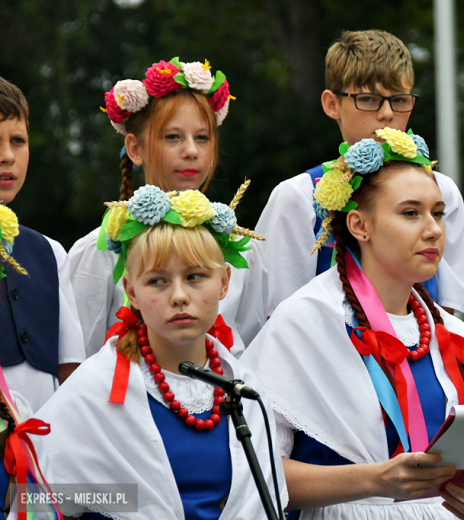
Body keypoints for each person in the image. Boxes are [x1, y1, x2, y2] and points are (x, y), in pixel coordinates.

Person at [242, 133, 464, 519]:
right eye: (411, 213)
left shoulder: (453, 332)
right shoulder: (306, 319)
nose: (433, 229)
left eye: (437, 212)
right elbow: (257, 471)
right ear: (359, 225)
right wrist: (374, 481)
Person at [33, 187, 287, 519]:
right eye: (157, 281)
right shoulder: (96, 389)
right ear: (130, 291)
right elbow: (36, 501)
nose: (179, 296)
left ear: (224, 281)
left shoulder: (245, 390)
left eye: (195, 276)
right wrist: (123, 503)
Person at [256, 30, 464, 317]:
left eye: (399, 100)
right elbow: (279, 312)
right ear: (332, 104)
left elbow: (447, 309)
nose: (386, 114)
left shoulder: (440, 190)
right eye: (369, 99)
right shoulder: (298, 195)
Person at [68, 57, 265, 358]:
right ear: (135, 148)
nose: (191, 150)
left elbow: (252, 350)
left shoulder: (242, 250)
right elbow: (77, 357)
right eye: (173, 137)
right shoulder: (100, 251)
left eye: (202, 137)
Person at [0, 76, 85, 412]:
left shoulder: (50, 252)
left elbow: (70, 368)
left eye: (18, 141)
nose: (7, 156)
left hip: (42, 446)